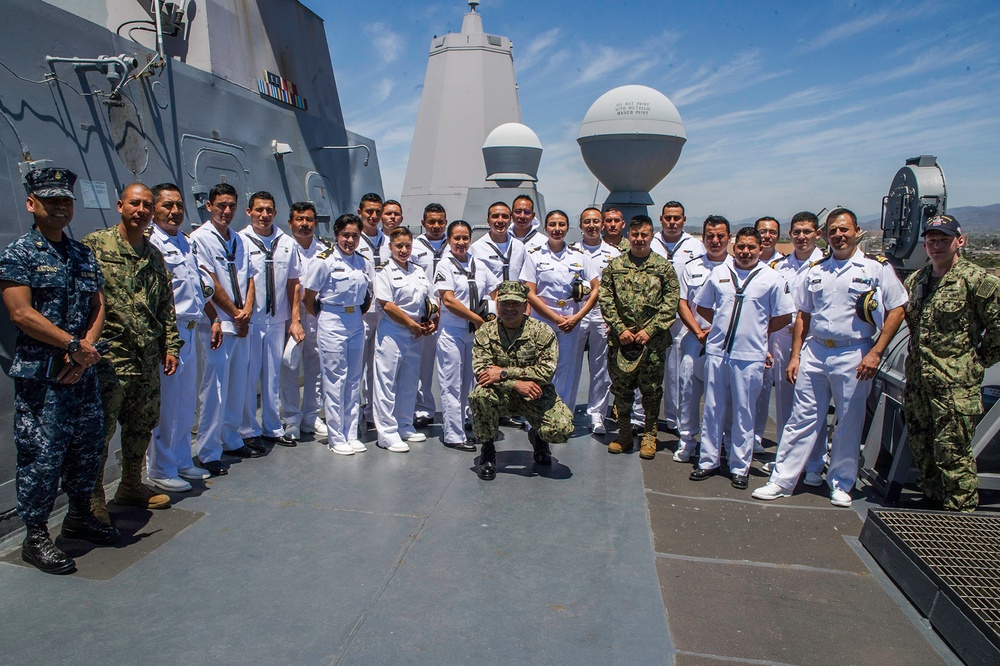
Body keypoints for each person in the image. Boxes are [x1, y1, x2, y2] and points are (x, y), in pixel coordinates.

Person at [0, 167, 118, 574]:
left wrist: (84, 350)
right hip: (44, 378)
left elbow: (98, 305)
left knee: (86, 449)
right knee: (41, 456)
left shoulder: (82, 254)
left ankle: (80, 516)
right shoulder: (20, 254)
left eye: (65, 200)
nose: (60, 207)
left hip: (80, 373)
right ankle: (35, 536)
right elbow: (20, 312)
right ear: (32, 203)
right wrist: (71, 346)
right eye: (51, 200)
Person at [753, 208, 907, 507]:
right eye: (833, 231)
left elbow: (898, 307)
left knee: (849, 419)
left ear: (857, 231)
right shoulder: (817, 270)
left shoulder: (875, 268)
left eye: (844, 230)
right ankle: (783, 479)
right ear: (826, 235)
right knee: (801, 417)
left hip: (854, 351)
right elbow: (803, 316)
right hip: (816, 350)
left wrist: (876, 352)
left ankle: (840, 482)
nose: (839, 235)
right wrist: (796, 355)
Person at [83, 183, 179, 521]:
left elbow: (166, 305)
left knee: (141, 425)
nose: (141, 210)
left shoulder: (153, 256)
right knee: (101, 429)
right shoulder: (95, 246)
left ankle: (130, 485)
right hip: (110, 358)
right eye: (134, 204)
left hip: (147, 357)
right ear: (120, 205)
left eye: (147, 205)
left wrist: (171, 345)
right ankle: (93, 498)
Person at [902, 214, 1000, 512]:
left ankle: (961, 518)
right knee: (923, 450)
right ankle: (932, 506)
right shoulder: (916, 280)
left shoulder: (978, 280)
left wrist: (975, 361)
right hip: (919, 384)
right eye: (932, 240)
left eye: (944, 239)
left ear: (960, 241)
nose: (937, 245)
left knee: (954, 456)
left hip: (955, 388)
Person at [689, 227, 794, 489]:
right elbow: (703, 305)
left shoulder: (771, 278)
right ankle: (708, 461)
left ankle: (739, 466)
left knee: (744, 411)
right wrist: (725, 326)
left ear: (760, 250)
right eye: (741, 247)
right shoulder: (720, 273)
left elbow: (784, 315)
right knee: (713, 408)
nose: (745, 252)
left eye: (751, 247)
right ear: (734, 248)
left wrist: (759, 331)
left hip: (750, 355)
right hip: (718, 351)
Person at [146, 183, 217, 491]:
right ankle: (160, 468)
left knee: (185, 402)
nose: (174, 211)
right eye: (167, 206)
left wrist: (211, 315)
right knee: (167, 404)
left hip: (190, 328)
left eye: (178, 205)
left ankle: (181, 460)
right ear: (153, 208)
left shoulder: (185, 242)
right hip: (169, 332)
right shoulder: (151, 243)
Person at [469, 281, 575, 480]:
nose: (509, 308)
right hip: (501, 395)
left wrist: (504, 373)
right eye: (505, 303)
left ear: (525, 305)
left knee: (562, 429)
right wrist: (515, 383)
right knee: (479, 395)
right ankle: (488, 450)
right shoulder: (485, 332)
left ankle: (539, 437)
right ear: (497, 304)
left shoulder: (542, 332)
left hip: (535, 393)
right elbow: (481, 372)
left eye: (515, 304)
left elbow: (546, 373)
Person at [190, 183, 258, 476]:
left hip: (242, 323)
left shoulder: (239, 240)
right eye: (221, 206)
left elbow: (251, 277)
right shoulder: (200, 239)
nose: (227, 211)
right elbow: (209, 282)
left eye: (231, 205)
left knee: (238, 386)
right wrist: (233, 313)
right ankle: (208, 450)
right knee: (214, 389)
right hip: (216, 325)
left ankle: (231, 438)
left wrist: (247, 313)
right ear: (209, 206)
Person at [599, 215, 680, 459]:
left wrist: (650, 329)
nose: (639, 239)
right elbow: (606, 298)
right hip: (621, 342)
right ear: (628, 235)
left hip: (651, 343)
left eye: (644, 234)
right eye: (635, 234)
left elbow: (671, 301)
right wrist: (619, 327)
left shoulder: (663, 266)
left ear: (651, 235)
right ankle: (624, 434)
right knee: (622, 391)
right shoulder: (615, 266)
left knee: (651, 392)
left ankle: (649, 437)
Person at [761, 212, 827, 479]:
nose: (801, 237)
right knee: (785, 405)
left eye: (807, 232)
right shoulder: (780, 268)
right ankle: (784, 458)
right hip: (782, 339)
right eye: (797, 232)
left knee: (812, 406)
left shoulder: (825, 264)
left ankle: (813, 464)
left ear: (817, 234)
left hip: (814, 342)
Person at [302, 214, 372, 455]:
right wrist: (324, 316)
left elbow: (367, 293)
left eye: (354, 235)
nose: (349, 240)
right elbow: (308, 297)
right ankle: (336, 437)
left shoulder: (363, 262)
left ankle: (351, 433)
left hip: (355, 320)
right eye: (345, 235)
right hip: (332, 319)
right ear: (336, 235)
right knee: (334, 379)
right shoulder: (324, 261)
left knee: (354, 379)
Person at [521, 209, 600, 411]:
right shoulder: (534, 256)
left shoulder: (579, 256)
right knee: (540, 368)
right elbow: (529, 293)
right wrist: (556, 318)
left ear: (568, 227)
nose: (557, 229)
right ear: (546, 228)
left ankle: (561, 416)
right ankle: (538, 417)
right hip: (543, 319)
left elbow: (596, 288)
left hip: (572, 319)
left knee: (565, 368)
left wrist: (577, 317)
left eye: (562, 225)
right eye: (553, 225)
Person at [239, 191, 301, 448]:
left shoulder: (287, 242)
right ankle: (247, 429)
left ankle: (272, 427)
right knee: (248, 376)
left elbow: (294, 283)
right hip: (251, 321)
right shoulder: (240, 241)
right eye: (259, 210)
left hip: (277, 320)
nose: (264, 215)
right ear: (249, 212)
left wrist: (294, 320)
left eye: (269, 210)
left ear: (275, 213)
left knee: (273, 377)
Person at [434, 220, 500, 451]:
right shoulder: (444, 265)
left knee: (470, 384)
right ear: (449, 240)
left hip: (476, 333)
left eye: (465, 238)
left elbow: (495, 292)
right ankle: (453, 435)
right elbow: (448, 299)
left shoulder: (479, 265)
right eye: (456, 238)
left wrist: (492, 314)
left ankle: (463, 424)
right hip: (452, 331)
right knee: (451, 383)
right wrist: (476, 318)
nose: (461, 243)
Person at [672, 216, 733, 462]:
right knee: (688, 392)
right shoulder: (693, 267)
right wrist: (698, 331)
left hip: (726, 341)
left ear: (729, 237)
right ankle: (687, 440)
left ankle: (723, 442)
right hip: (694, 337)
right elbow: (682, 303)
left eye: (720, 236)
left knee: (723, 397)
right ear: (703, 238)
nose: (715, 240)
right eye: (710, 236)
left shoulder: (737, 266)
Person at [372, 227, 438, 452]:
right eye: (399, 245)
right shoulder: (384, 271)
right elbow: (386, 304)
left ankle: (404, 424)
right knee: (387, 383)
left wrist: (430, 320)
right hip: (393, 331)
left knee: (410, 382)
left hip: (417, 332)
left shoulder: (418, 271)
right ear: (390, 247)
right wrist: (411, 324)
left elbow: (430, 299)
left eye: (407, 246)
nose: (403, 250)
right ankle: (387, 433)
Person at [650, 201, 705, 430]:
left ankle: (677, 420)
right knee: (649, 369)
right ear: (661, 219)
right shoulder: (650, 242)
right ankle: (641, 418)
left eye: (677, 218)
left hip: (683, 317)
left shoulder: (696, 246)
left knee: (678, 372)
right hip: (651, 317)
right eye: (668, 218)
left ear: (683, 220)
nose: (672, 222)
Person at [279, 202, 331, 440]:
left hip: (317, 315)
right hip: (290, 315)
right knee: (289, 367)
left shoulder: (325, 250)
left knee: (316, 367)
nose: (304, 224)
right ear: (291, 223)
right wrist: (294, 318)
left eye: (309, 219)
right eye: (299, 219)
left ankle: (311, 415)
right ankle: (291, 418)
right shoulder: (283, 248)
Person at [574, 207, 620, 434]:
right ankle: (565, 408)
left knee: (600, 366)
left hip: (602, 314)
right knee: (569, 364)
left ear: (602, 224)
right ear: (580, 224)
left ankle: (597, 414)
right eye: (587, 222)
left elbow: (618, 290)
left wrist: (615, 318)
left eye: (596, 221)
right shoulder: (571, 251)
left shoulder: (614, 254)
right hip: (576, 313)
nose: (591, 225)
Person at [411, 203, 449, 429]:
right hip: (425, 313)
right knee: (422, 365)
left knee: (453, 366)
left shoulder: (454, 245)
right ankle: (423, 409)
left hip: (452, 312)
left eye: (440, 222)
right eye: (431, 222)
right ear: (423, 223)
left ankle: (458, 411)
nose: (436, 226)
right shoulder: (415, 246)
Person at [752, 216, 783, 452]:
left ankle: (757, 435)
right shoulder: (740, 263)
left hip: (778, 335)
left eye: (772, 232)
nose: (767, 235)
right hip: (749, 334)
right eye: (762, 231)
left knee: (767, 388)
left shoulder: (784, 265)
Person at [356, 193, 386, 428]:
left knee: (379, 366)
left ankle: (374, 412)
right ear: (360, 212)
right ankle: (354, 414)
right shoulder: (353, 241)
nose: (373, 216)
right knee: (356, 366)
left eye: (378, 212)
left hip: (385, 314)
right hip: (362, 313)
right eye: (369, 211)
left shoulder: (389, 242)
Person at [471, 201, 527, 284]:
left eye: (505, 216)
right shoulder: (476, 248)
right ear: (488, 221)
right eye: (495, 216)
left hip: (515, 296)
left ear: (510, 220)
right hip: (489, 297)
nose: (500, 220)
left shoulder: (519, 246)